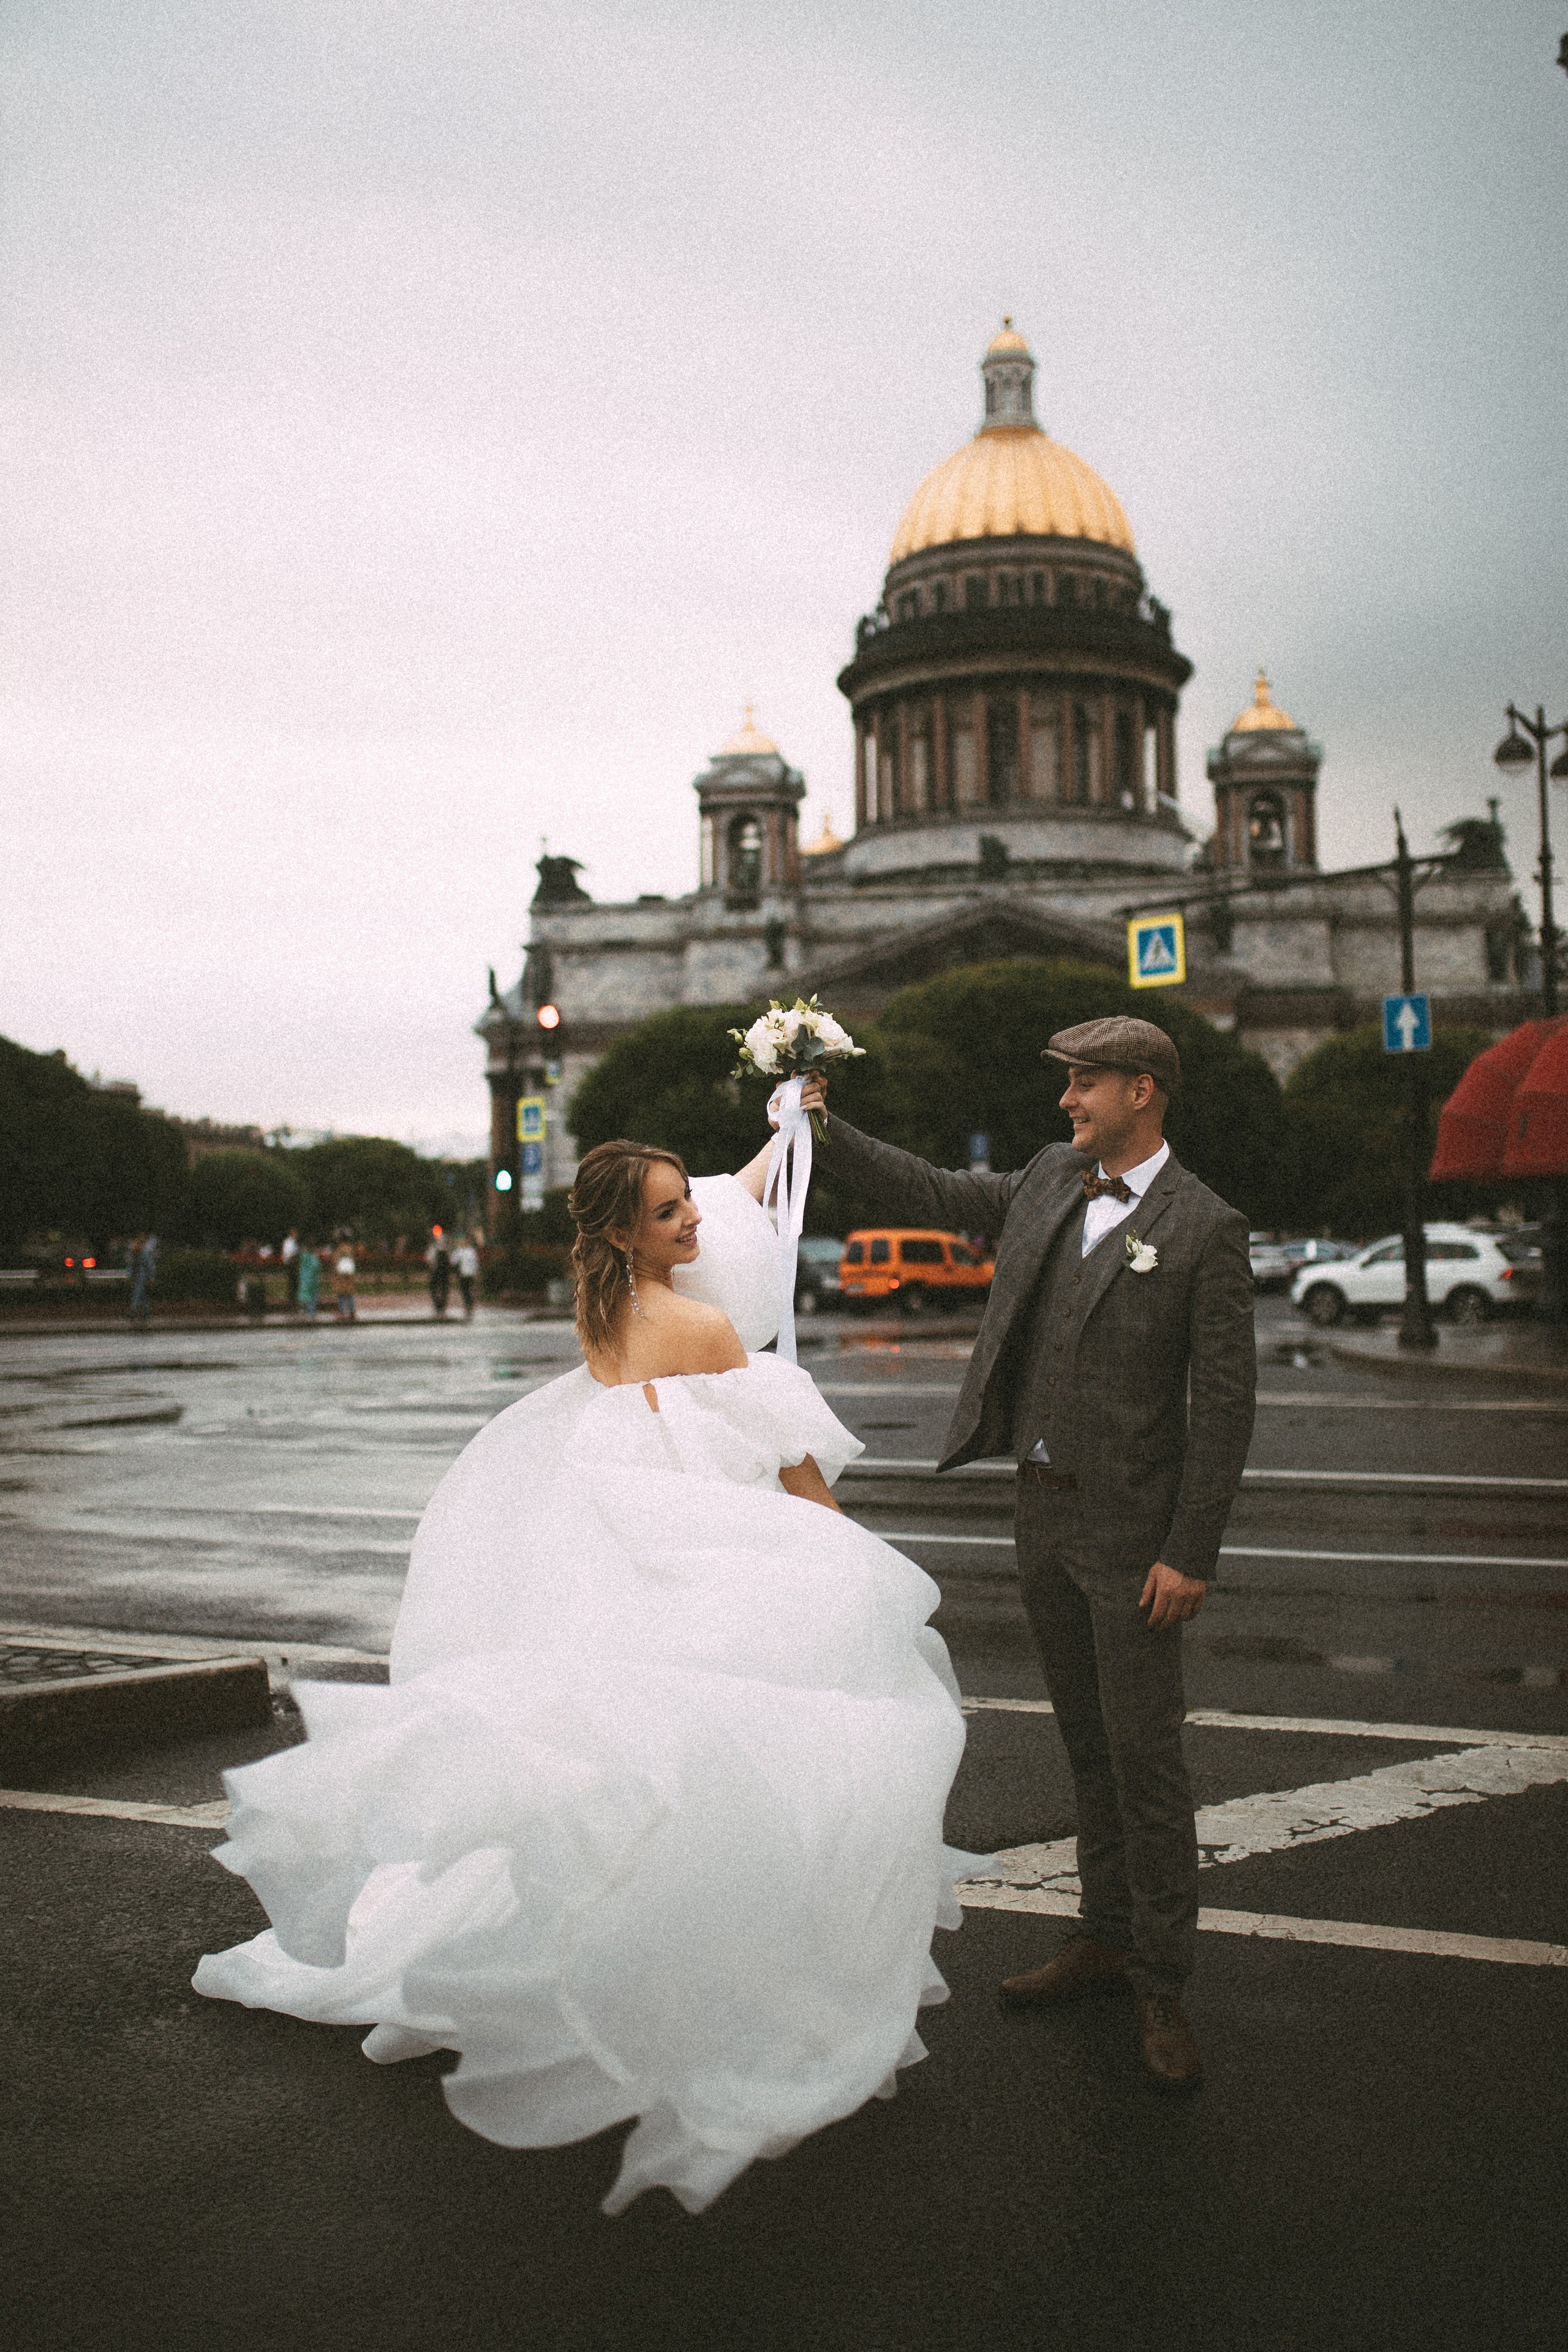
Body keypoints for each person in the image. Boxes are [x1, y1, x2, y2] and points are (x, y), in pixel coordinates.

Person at [194, 1145, 968, 2214]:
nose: (693, 1222)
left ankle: (608, 1958)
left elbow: (721, 1255)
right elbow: (790, 1465)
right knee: (768, 1760)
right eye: (668, 1212)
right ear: (623, 1234)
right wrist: (849, 1555)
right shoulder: (700, 1328)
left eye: (689, 1200)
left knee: (624, 1771)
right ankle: (719, 1980)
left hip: (622, 1562)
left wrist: (784, 1136)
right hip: (704, 1564)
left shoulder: (603, 1317)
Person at [794, 1016, 1255, 2094]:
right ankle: (1102, 1937)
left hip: (1137, 1539)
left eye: (1086, 1085)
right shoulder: (1055, 1177)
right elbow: (941, 1196)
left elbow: (1226, 1408)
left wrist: (1190, 1553)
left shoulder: (1206, 1227)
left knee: (1148, 1766)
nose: (1068, 1102)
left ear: (1144, 1090)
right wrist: (827, 1126)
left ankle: (1163, 1986)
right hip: (1041, 1517)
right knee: (1088, 1748)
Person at [127, 1232, 157, 1325]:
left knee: (138, 1293)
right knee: (143, 1295)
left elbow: (148, 1266)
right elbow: (149, 1266)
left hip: (141, 1275)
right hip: (140, 1275)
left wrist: (151, 1277)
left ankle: (133, 1311)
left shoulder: (142, 1254)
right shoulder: (141, 1253)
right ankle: (146, 1312)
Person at [453, 1232, 480, 1320]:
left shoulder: (461, 1251)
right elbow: (476, 1263)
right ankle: (470, 1302)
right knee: (468, 1288)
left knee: (465, 1289)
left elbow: (453, 1261)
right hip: (469, 1273)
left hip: (464, 1273)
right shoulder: (471, 1251)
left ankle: (468, 1303)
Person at [426, 1227, 451, 1319]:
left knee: (434, 1287)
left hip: (436, 1270)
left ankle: (438, 1306)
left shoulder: (434, 1245)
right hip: (444, 1270)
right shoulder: (446, 1246)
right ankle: (442, 1307)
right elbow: (451, 1258)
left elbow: (430, 1258)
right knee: (444, 1288)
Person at [296, 1241, 322, 1322]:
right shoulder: (314, 1257)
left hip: (304, 1279)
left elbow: (301, 1268)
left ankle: (305, 1311)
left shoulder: (303, 1257)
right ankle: (311, 1313)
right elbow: (317, 1267)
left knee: (305, 1296)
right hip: (313, 1280)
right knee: (313, 1296)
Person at [333, 1242, 356, 1322]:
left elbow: (335, 1264)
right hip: (349, 1277)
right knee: (349, 1295)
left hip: (341, 1277)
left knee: (341, 1295)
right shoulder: (350, 1252)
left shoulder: (339, 1251)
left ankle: (343, 1312)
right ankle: (352, 1312)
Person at [281, 1229, 300, 1309]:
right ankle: (292, 1300)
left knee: (294, 1282)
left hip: (293, 1263)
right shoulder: (289, 1242)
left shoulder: (293, 1242)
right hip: (291, 1264)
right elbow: (289, 1255)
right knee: (293, 1282)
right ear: (292, 1234)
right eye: (296, 1233)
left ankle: (293, 1299)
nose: (297, 1235)